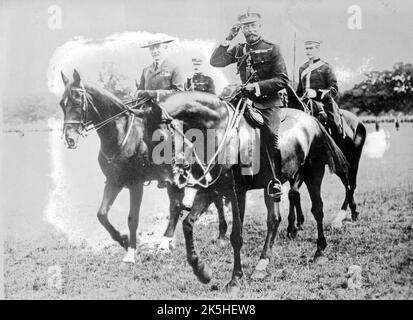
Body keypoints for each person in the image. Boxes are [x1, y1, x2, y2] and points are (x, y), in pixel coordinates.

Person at [210, 9, 288, 199]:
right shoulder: (239, 49)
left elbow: (282, 80)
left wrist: (257, 87)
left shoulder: (272, 48)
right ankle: (224, 174)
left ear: (260, 27)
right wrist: (228, 38)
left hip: (267, 102)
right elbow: (215, 61)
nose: (249, 29)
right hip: (243, 101)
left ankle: (274, 180)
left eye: (253, 25)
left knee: (269, 134)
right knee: (222, 126)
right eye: (246, 27)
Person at [135, 38, 184, 188]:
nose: (155, 51)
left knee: (162, 137)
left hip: (168, 112)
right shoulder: (146, 70)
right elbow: (140, 92)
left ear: (165, 48)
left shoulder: (174, 67)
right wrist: (136, 95)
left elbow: (178, 91)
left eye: (158, 48)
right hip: (148, 112)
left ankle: (166, 172)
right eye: (152, 49)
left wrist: (152, 93)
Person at [296, 40, 342, 135]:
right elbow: (299, 90)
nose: (308, 51)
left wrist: (316, 93)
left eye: (311, 48)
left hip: (324, 103)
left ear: (317, 49)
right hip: (305, 103)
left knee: (333, 125)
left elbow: (334, 89)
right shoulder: (302, 68)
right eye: (306, 49)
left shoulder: (326, 67)